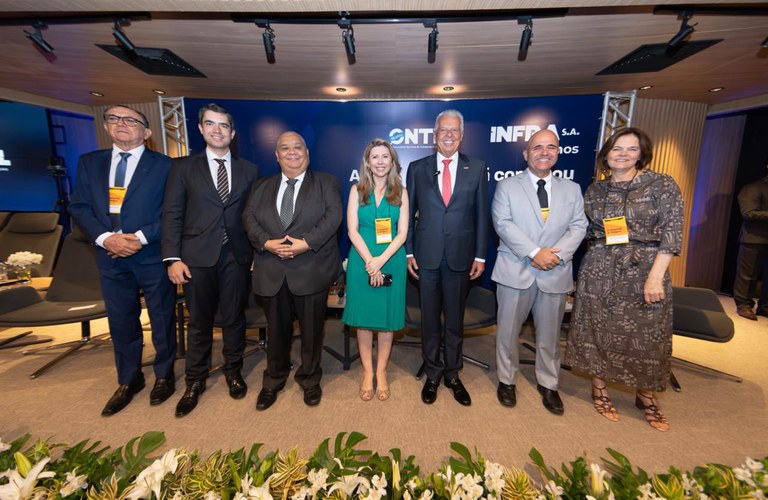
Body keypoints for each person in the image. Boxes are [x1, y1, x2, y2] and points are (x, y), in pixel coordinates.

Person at [565, 127, 683, 432]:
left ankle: (646, 396)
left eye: (631, 149)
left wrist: (656, 277)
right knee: (598, 329)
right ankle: (600, 389)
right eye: (617, 149)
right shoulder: (596, 190)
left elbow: (672, 233)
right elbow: (589, 232)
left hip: (646, 268)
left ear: (642, 154)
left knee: (648, 335)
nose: (623, 155)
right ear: (607, 154)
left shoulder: (660, 184)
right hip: (600, 267)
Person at [69, 105, 177, 416]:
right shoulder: (90, 163)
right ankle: (129, 380)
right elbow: (79, 207)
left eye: (131, 120)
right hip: (109, 254)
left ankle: (164, 375)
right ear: (106, 127)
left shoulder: (165, 166)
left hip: (150, 252)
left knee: (162, 317)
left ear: (147, 131)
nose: (122, 124)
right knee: (121, 320)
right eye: (114, 118)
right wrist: (106, 238)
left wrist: (139, 237)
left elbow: (172, 213)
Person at [162, 103, 259, 417]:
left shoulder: (249, 169)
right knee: (200, 322)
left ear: (233, 133)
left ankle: (233, 370)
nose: (218, 130)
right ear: (201, 129)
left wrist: (256, 253)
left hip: (236, 255)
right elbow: (172, 215)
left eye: (223, 126)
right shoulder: (182, 168)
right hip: (195, 257)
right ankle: (194, 380)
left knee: (234, 318)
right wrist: (172, 259)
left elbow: (253, 216)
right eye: (210, 124)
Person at [243, 131, 342, 411]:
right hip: (271, 270)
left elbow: (332, 217)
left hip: (310, 269)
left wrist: (305, 243)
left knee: (312, 332)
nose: (292, 152)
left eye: (297, 147)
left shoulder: (326, 183)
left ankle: (310, 380)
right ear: (276, 155)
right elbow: (248, 218)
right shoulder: (261, 186)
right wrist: (266, 243)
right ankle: (273, 380)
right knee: (276, 331)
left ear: (307, 153)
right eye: (284, 148)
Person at [491, 129, 587, 415]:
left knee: (549, 335)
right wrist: (535, 252)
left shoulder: (572, 189)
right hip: (515, 269)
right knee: (507, 333)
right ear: (526, 154)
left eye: (550, 147)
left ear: (558, 152)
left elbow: (579, 227)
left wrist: (553, 256)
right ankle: (506, 380)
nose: (544, 152)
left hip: (554, 272)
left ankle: (549, 384)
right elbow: (503, 223)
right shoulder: (507, 186)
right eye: (537, 147)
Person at [406, 109, 489, 406]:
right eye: (444, 130)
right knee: (429, 320)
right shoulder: (417, 168)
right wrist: (409, 251)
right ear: (435, 134)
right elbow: (409, 214)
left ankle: (453, 374)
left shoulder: (477, 168)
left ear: (462, 135)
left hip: (460, 258)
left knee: (454, 319)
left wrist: (480, 255)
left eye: (455, 130)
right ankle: (433, 373)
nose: (449, 135)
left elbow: (481, 215)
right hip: (425, 258)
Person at [342, 138, 409, 402]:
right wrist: (371, 261)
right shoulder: (357, 190)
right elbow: (352, 230)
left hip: (391, 258)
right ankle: (366, 372)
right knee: (364, 321)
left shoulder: (401, 191)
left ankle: (381, 372)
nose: (380, 162)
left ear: (392, 161)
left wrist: (380, 261)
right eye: (375, 157)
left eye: (385, 157)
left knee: (386, 321)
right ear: (367, 162)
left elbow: (402, 233)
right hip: (361, 259)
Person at [732, 164, 768, 321]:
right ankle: (744, 305)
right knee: (747, 275)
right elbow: (749, 213)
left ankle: (765, 307)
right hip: (754, 238)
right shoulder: (753, 187)